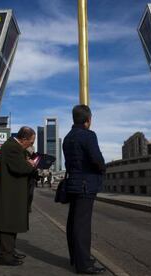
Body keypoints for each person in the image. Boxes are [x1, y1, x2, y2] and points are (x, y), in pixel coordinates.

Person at [62, 105, 106, 274]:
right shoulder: (88, 135)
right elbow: (97, 159)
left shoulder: (68, 138)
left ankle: (77, 258)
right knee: (82, 226)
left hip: (73, 184)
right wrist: (102, 169)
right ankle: (84, 265)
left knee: (73, 222)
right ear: (88, 120)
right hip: (86, 186)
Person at [0, 126, 36, 266]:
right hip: (9, 193)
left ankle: (10, 251)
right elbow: (19, 168)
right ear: (24, 139)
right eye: (31, 142)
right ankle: (6, 256)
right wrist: (31, 164)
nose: (31, 145)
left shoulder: (12, 146)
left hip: (11, 192)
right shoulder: (12, 148)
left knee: (11, 223)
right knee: (7, 224)